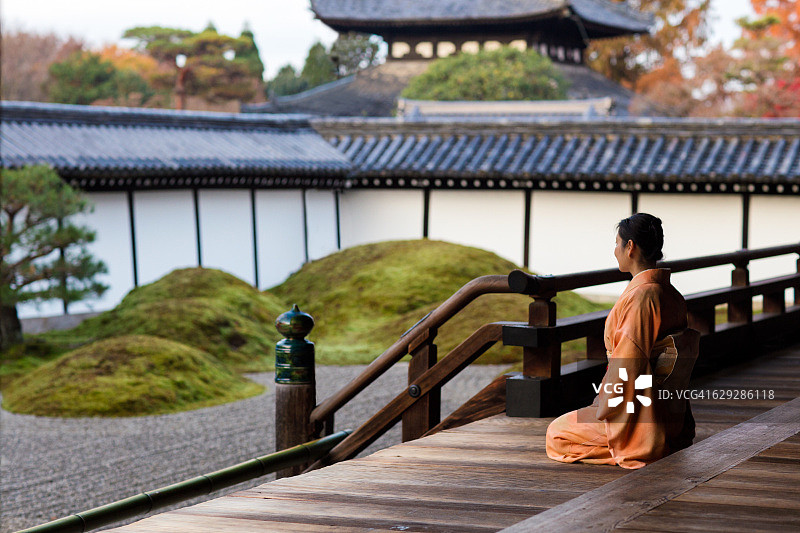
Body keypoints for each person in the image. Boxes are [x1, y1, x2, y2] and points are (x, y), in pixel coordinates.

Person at [545, 213, 694, 469]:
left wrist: (604, 408)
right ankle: (660, 439)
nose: (615, 250)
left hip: (640, 413)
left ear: (630, 247)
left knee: (556, 433)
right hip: (670, 412)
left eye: (617, 243)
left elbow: (628, 362)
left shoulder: (642, 297)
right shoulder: (669, 293)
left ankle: (646, 446)